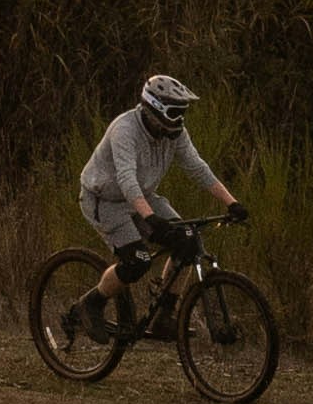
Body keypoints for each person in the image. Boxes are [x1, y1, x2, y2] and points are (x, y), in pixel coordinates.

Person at [77, 73, 243, 325]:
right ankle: (92, 303)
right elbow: (126, 179)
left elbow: (197, 168)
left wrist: (232, 202)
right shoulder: (125, 130)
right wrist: (150, 217)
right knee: (137, 262)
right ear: (155, 109)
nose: (180, 120)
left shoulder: (175, 134)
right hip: (105, 201)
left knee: (189, 241)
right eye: (175, 113)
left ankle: (164, 315)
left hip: (141, 196)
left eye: (183, 113)